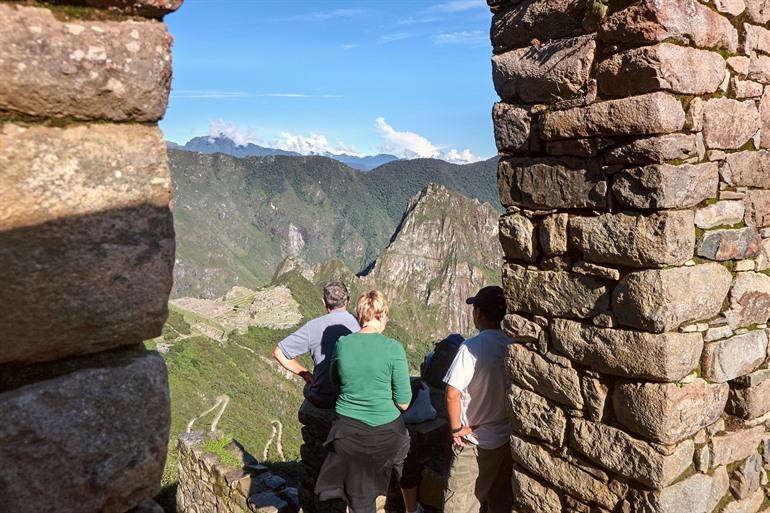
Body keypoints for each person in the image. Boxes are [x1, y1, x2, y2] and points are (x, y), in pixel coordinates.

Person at [315, 290, 413, 513]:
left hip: (347, 436)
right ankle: (412, 507)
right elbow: (404, 403)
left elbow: (334, 379)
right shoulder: (393, 348)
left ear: (360, 316)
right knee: (406, 457)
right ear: (382, 315)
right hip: (387, 436)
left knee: (360, 499)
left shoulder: (342, 344)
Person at [442, 285, 514, 513]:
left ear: (479, 314)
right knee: (500, 501)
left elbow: (452, 393)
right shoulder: (511, 344)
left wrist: (455, 429)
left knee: (458, 505)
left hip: (474, 441)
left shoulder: (472, 347)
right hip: (505, 439)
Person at [272, 281, 359, 409]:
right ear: (348, 300)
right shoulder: (362, 323)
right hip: (353, 397)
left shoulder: (312, 327)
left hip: (324, 399)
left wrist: (307, 375)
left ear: (324, 302)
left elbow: (278, 353)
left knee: (309, 386)